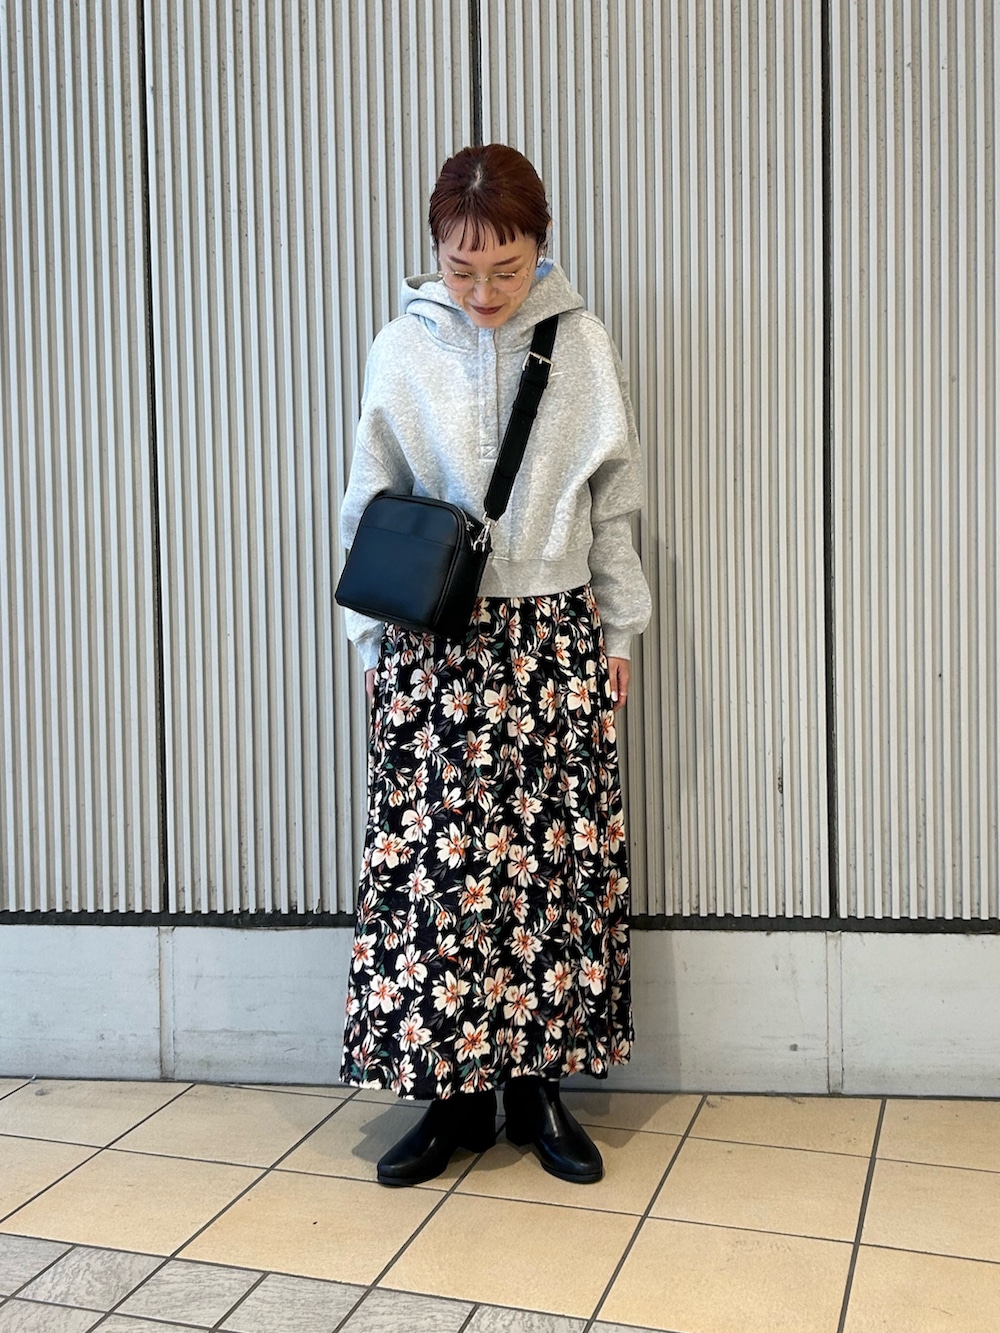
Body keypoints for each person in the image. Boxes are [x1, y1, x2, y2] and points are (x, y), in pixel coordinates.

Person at [338, 144, 651, 1188]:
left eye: (505, 268)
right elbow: (368, 497)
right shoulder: (401, 346)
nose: (482, 290)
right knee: (440, 875)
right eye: (461, 268)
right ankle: (450, 1095)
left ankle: (538, 1088)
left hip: (551, 638)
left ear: (540, 247)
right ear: (436, 252)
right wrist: (373, 644)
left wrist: (618, 633)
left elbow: (614, 502)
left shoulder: (580, 342)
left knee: (548, 871)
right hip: (434, 646)